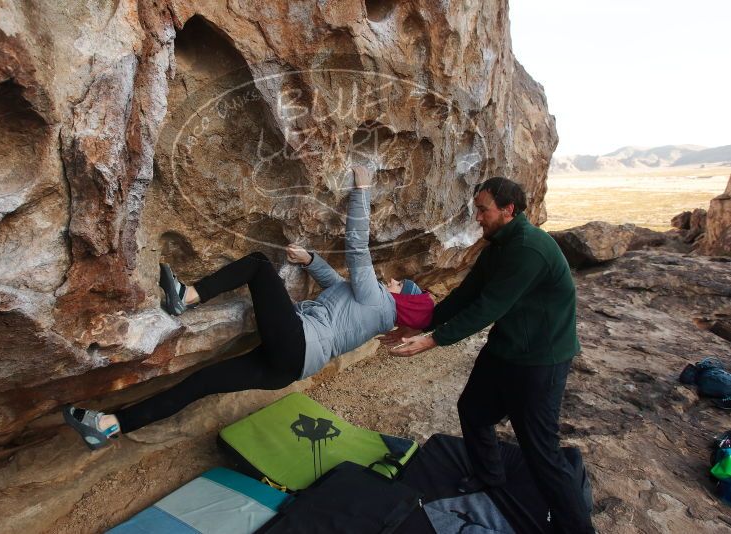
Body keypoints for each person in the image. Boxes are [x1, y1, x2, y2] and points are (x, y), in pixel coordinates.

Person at [63, 165, 434, 450]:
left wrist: (362, 189)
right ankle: (109, 426)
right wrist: (310, 260)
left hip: (297, 343)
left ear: (402, 299)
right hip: (288, 367)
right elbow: (335, 287)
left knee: (258, 264)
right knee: (200, 383)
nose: (391, 281)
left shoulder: (378, 299)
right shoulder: (372, 311)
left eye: (398, 284)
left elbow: (357, 247)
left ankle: (186, 296)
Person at [381, 176, 594, 533]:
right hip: (506, 348)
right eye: (476, 209)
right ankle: (489, 477)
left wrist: (434, 341)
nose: (477, 217)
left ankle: (578, 529)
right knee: (474, 410)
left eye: (483, 210)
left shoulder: (527, 248)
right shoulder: (498, 244)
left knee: (541, 453)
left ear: (508, 210)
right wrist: (422, 324)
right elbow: (467, 295)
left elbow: (488, 308)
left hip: (541, 359)